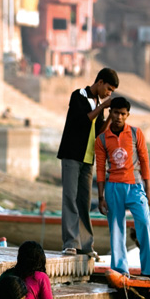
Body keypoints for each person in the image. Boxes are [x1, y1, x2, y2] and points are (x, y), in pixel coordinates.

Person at [57, 68, 119, 257]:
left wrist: (109, 115)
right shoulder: (79, 95)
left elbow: (98, 131)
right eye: (108, 89)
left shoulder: (98, 104)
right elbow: (82, 121)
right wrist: (102, 107)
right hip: (72, 155)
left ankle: (85, 244)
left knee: (83, 201)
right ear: (100, 82)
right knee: (70, 198)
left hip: (88, 158)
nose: (109, 93)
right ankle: (70, 243)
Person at [95, 97, 150, 277]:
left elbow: (144, 161)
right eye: (115, 112)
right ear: (110, 113)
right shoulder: (102, 139)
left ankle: (149, 270)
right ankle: (120, 270)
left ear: (127, 115)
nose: (119, 117)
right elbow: (99, 168)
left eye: (122, 114)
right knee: (116, 229)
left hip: (135, 186)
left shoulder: (137, 134)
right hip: (113, 187)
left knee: (144, 224)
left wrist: (149, 189)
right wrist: (101, 197)